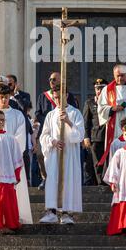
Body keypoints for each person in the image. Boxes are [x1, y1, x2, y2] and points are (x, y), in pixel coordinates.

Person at [0, 84, 33, 225]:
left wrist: (12, 154)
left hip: (13, 159)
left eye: (6, 97)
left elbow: (20, 137)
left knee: (17, 189)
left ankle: (18, 217)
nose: (4, 100)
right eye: (1, 97)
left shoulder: (18, 115)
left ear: (9, 97)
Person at [39, 89, 85, 224]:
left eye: (60, 97)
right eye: (55, 98)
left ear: (66, 95)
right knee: (53, 180)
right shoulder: (51, 115)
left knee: (68, 180)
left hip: (69, 154)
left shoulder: (75, 113)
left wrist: (69, 122)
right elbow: (44, 135)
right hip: (54, 154)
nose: (58, 100)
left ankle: (66, 213)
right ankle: (51, 212)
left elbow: (80, 135)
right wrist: (52, 142)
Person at [35, 71, 79, 190]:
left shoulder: (68, 96)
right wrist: (52, 121)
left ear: (61, 81)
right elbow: (38, 113)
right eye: (50, 79)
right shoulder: (43, 96)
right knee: (40, 154)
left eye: (54, 79)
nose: (51, 82)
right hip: (49, 129)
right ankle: (45, 177)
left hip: (66, 136)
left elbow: (73, 110)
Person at [82, 78, 107, 185]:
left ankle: (106, 182)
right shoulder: (90, 103)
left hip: (108, 136)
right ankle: (99, 183)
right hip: (95, 137)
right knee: (97, 162)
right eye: (97, 88)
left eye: (101, 88)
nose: (99, 91)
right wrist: (86, 137)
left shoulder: (110, 102)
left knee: (107, 162)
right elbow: (86, 122)